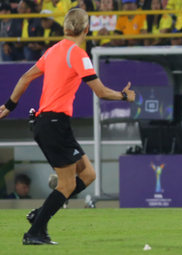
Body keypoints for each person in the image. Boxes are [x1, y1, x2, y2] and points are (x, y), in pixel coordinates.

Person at [0, 8, 135, 245]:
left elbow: (24, 78)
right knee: (68, 183)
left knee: (88, 174)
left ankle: (39, 217)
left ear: (65, 28)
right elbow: (101, 92)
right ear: (86, 30)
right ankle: (34, 233)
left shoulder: (52, 51)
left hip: (48, 123)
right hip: (54, 123)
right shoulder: (78, 53)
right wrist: (124, 96)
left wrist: (9, 106)